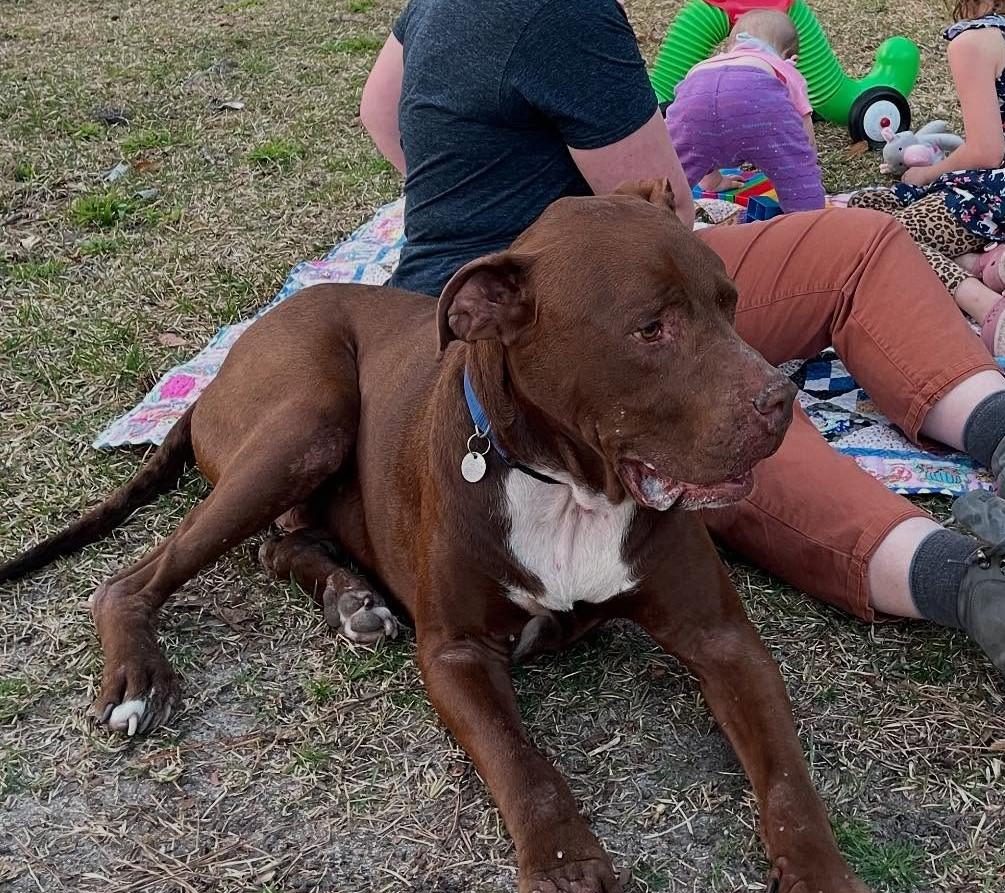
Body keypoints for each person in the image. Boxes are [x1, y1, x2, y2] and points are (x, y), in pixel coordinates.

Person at [360, 0, 1005, 675]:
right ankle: (959, 576)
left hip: (452, 286)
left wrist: (473, 209)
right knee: (714, 416)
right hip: (557, 307)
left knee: (855, 246)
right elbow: (668, 203)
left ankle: (971, 534)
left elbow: (379, 110)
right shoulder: (567, 13)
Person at [851, 1, 1005, 353]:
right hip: (992, 191)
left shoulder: (975, 41)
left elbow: (987, 151)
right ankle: (983, 263)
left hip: (995, 195)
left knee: (880, 242)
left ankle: (983, 303)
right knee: (863, 204)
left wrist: (928, 173)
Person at [664, 9, 825, 211]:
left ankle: (654, 214)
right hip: (754, 109)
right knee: (796, 174)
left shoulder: (703, 66)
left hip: (694, 103)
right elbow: (803, 122)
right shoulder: (782, 67)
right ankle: (808, 217)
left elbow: (692, 124)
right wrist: (805, 162)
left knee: (672, 175)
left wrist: (711, 180)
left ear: (732, 46)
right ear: (787, 55)